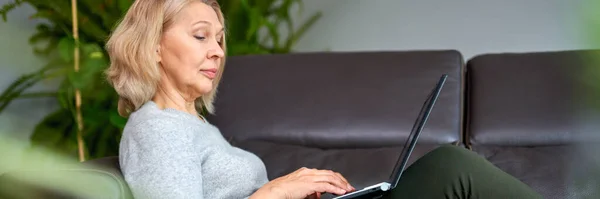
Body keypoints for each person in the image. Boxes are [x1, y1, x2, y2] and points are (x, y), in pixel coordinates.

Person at [105, 0, 542, 198]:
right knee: (453, 167)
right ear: (153, 46)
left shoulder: (196, 127)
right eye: (201, 36)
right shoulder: (156, 127)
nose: (218, 50)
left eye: (220, 39)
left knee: (452, 167)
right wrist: (275, 192)